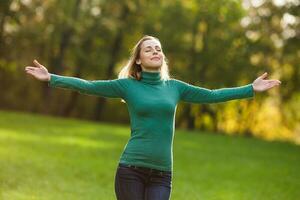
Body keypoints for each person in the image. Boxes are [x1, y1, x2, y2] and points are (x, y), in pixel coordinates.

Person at [24, 35, 281, 200]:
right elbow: (89, 86)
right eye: (149, 49)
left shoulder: (175, 87)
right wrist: (52, 78)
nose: (156, 51)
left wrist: (250, 89)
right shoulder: (127, 86)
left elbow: (213, 95)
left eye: (159, 48)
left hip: (162, 174)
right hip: (130, 170)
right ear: (138, 59)